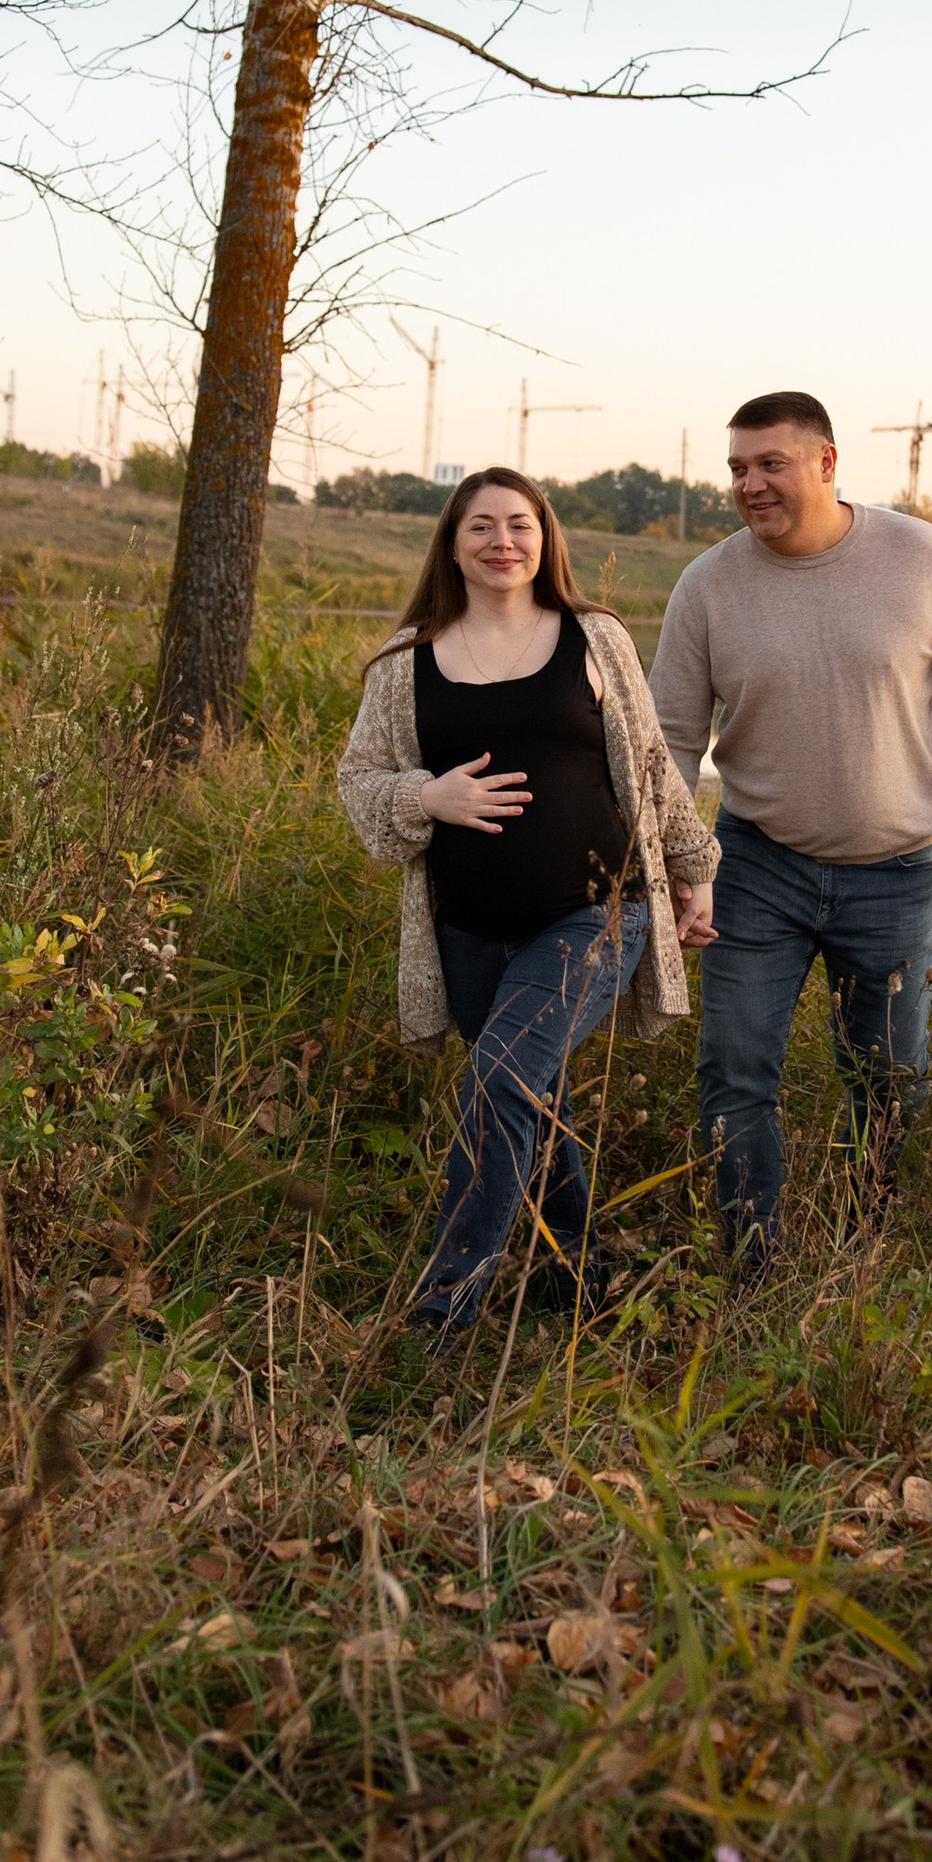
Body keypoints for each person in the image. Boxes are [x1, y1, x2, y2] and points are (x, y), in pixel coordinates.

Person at [338, 467, 717, 1347]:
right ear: (452, 543)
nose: (502, 541)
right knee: (533, 1101)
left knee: (501, 1080)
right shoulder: (406, 661)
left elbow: (650, 764)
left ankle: (441, 1313)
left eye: (520, 524)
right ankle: (579, 1288)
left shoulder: (594, 638)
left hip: (596, 911)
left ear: (545, 541)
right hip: (467, 930)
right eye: (481, 526)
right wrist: (426, 797)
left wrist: (695, 864)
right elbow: (358, 780)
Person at [649, 391, 932, 1266]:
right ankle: (753, 1265)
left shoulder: (919, 558)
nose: (750, 485)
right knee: (734, 1070)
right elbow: (670, 739)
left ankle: (863, 1257)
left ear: (825, 463)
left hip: (897, 872)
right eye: (738, 468)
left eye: (770, 464)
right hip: (756, 866)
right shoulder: (707, 584)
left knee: (888, 1083)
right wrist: (676, 858)